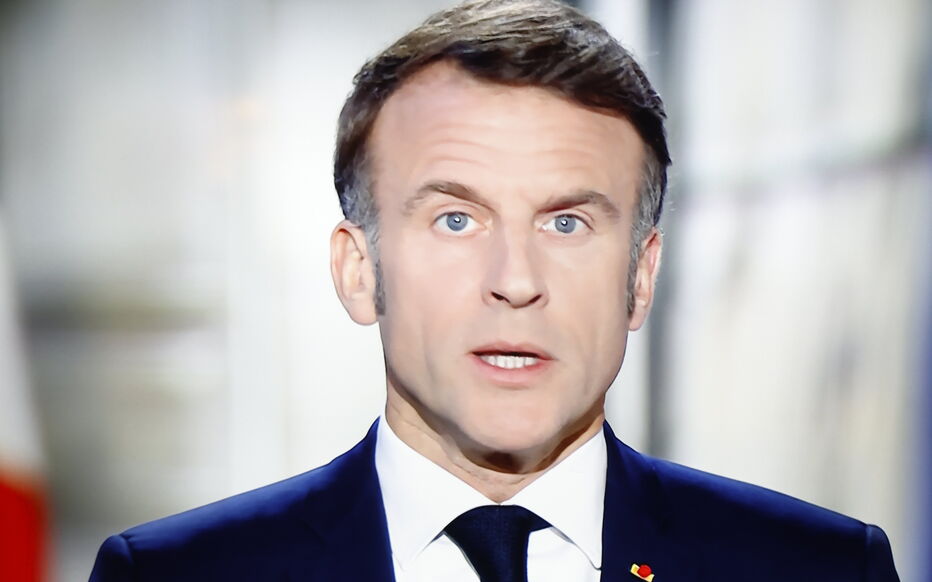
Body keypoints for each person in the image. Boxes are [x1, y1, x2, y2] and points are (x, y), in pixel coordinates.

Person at [90, 0, 900, 580]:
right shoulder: (175, 573)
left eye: (566, 224)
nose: (515, 282)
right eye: (456, 220)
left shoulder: (819, 567)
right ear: (359, 270)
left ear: (640, 278)